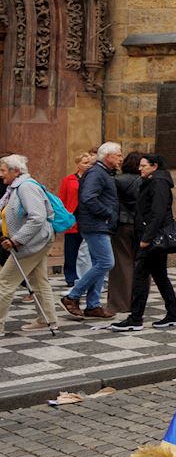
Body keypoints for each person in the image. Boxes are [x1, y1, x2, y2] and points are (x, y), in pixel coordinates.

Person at [110, 154, 176, 330]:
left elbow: (157, 214)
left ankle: (136, 318)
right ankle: (173, 314)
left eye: (143, 165)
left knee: (140, 276)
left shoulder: (158, 183)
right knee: (159, 276)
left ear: (154, 166)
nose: (140, 168)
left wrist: (146, 239)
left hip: (152, 239)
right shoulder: (154, 181)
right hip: (151, 237)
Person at [0, 154, 60, 333]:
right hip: (34, 241)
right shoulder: (15, 188)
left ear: (15, 171)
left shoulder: (26, 187)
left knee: (5, 282)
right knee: (39, 280)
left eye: (3, 170)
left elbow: (37, 217)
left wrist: (16, 239)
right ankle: (47, 319)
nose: (0, 174)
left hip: (31, 243)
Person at [62, 141, 122, 320]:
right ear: (108, 156)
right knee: (106, 262)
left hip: (99, 224)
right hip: (95, 225)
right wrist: (107, 213)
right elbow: (88, 198)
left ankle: (93, 305)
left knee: (99, 264)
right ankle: (72, 296)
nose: (121, 158)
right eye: (118, 154)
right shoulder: (97, 173)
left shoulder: (102, 172)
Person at [104, 151, 142, 312]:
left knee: (121, 264)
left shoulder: (117, 180)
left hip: (122, 224)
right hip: (141, 225)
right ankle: (138, 300)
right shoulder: (147, 181)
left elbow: (112, 202)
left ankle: (120, 303)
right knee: (140, 263)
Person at [57, 151, 94, 289]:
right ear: (78, 164)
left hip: (87, 219)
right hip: (72, 218)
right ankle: (71, 276)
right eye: (85, 163)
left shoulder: (93, 179)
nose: (88, 166)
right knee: (71, 249)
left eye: (90, 163)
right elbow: (62, 199)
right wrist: (64, 216)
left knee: (87, 251)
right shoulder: (68, 180)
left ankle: (85, 276)